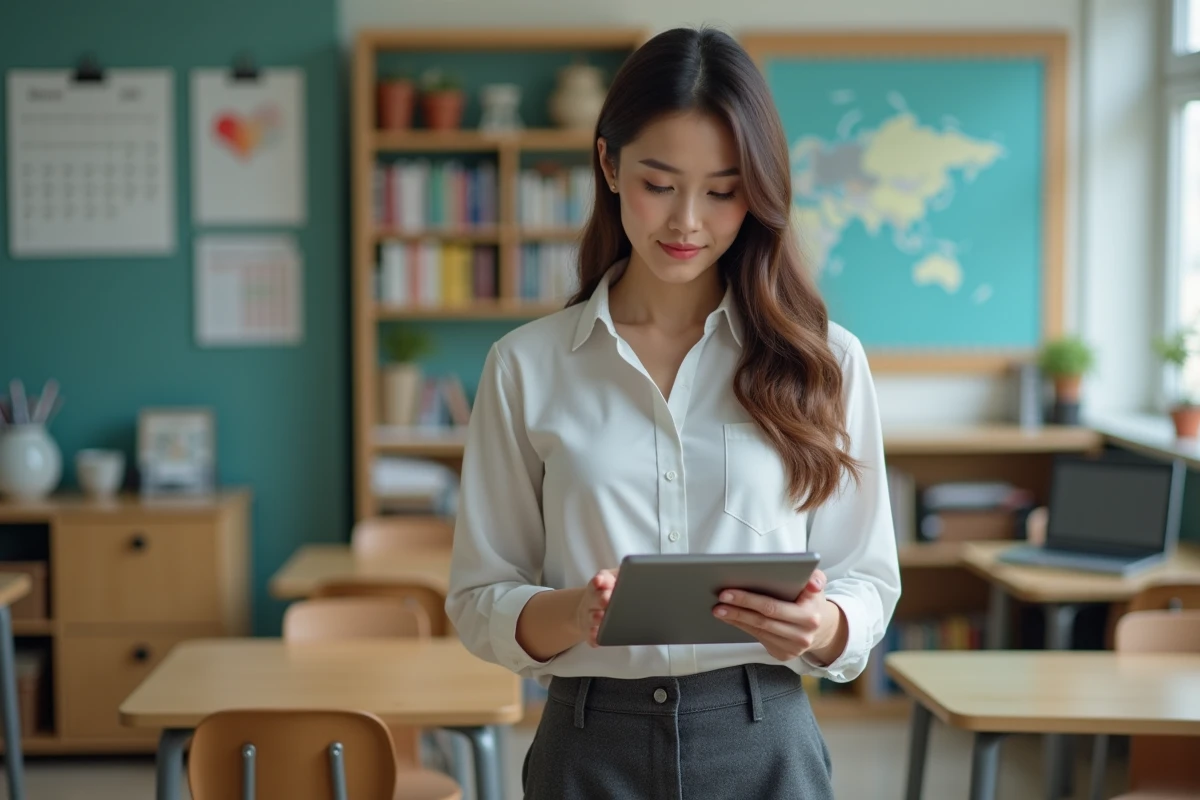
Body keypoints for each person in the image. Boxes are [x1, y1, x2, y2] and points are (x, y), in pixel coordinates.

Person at [446, 26, 901, 799]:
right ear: (609, 165)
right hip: (587, 745)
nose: (688, 221)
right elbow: (479, 597)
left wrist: (821, 628)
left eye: (722, 191)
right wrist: (571, 613)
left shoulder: (826, 360)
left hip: (766, 743)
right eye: (660, 183)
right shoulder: (526, 366)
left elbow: (868, 578)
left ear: (755, 192)